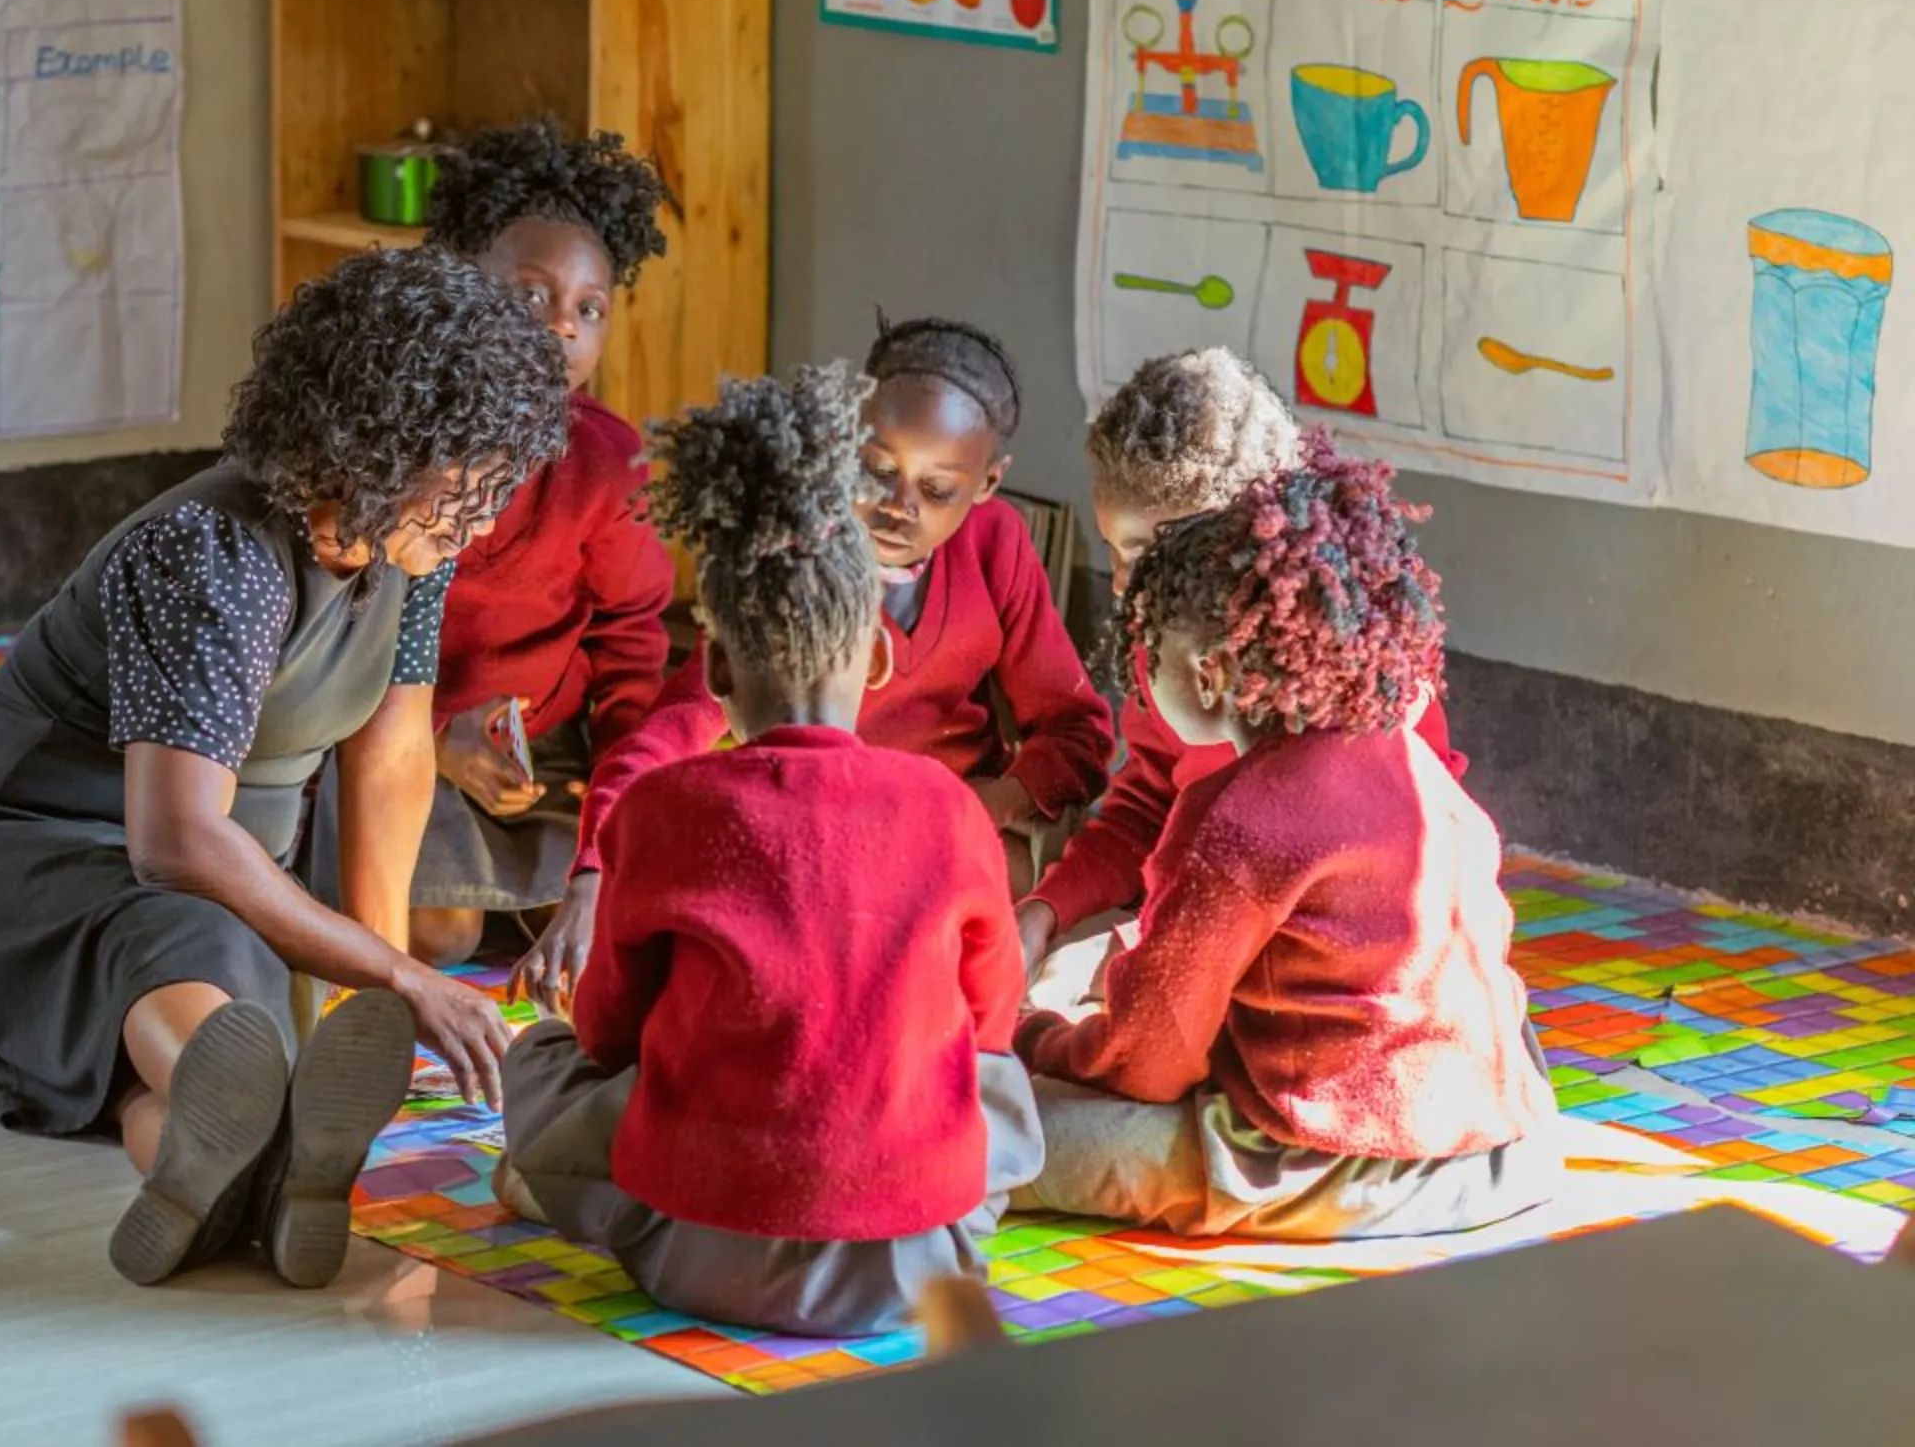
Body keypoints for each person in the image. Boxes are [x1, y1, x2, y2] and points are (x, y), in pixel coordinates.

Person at [0, 247, 569, 1289]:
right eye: (470, 478)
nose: (485, 512)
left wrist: (376, 989)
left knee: (230, 1002)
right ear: (383, 445)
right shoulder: (215, 552)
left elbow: (388, 757)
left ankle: (225, 1146)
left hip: (224, 884)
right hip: (26, 875)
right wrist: (402, 975)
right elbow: (175, 842)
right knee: (196, 947)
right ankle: (266, 1123)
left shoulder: (407, 547)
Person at [492, 362, 1044, 1335]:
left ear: (711, 665)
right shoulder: (951, 809)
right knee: (992, 1076)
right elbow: (992, 1018)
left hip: (687, 1248)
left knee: (540, 1058)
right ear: (874, 658)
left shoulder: (663, 810)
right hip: (916, 1263)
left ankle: (546, 1184)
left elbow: (610, 1030)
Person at [1013, 452, 1559, 1239]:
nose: (1143, 689)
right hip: (1506, 1142)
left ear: (1208, 676)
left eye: (1150, 664)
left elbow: (1148, 1064)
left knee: (993, 1138)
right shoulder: (1404, 756)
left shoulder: (1236, 817)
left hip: (1338, 1161)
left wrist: (1034, 1035)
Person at [516, 316, 1114, 1005]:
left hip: (942, 831)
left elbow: (1078, 732)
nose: (898, 506)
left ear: (987, 484)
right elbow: (669, 731)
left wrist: (995, 801)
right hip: (804, 824)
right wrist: (592, 873)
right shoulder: (798, 553)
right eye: (878, 470)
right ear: (843, 441)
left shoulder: (996, 545)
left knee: (996, 879)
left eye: (938, 489)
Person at [309, 119, 676, 967]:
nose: (561, 329)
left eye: (589, 308)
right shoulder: (397, 438)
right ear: (457, 283)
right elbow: (334, 637)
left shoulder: (609, 465)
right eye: (531, 296)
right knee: (441, 931)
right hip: (389, 730)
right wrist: (439, 737)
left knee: (609, 924)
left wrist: (616, 810)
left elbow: (630, 651)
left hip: (537, 755)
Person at [1020, 347, 1463, 977]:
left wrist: (1149, 952)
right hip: (1207, 928)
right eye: (1114, 548)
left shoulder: (1364, 683)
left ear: (1254, 528)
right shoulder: (1166, 652)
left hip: (1346, 965)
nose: (1121, 583)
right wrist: (1043, 914)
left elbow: (1408, 876)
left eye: (1147, 550)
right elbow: (1147, 811)